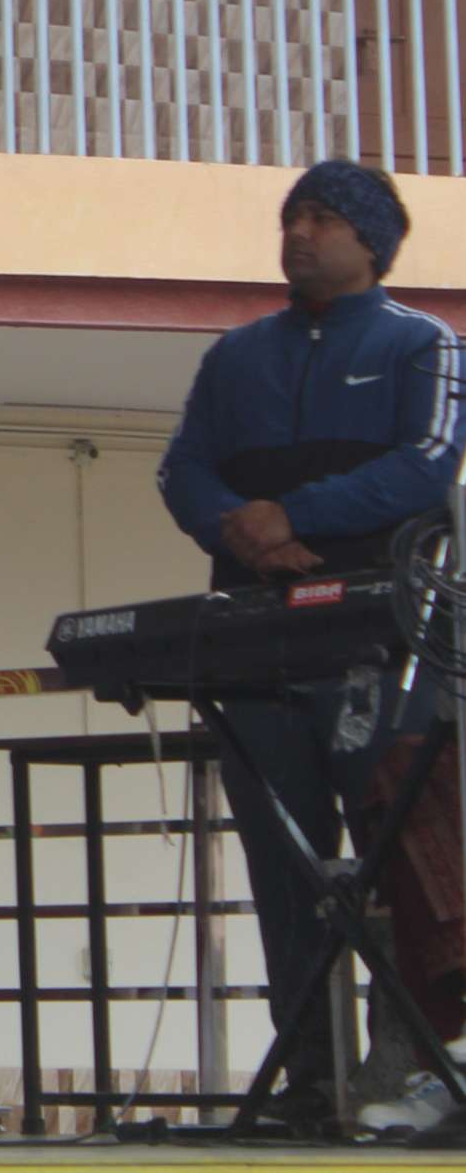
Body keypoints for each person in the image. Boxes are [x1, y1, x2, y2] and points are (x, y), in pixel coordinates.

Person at [156, 159, 465, 1132]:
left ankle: (412, 1079)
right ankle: (310, 1081)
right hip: (258, 644)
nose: (297, 232)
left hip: (385, 646)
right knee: (282, 867)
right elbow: (181, 469)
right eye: (291, 216)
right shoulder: (234, 356)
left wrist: (291, 514)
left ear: (371, 240)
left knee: (403, 863)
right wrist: (243, 531)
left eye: (322, 218)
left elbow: (427, 466)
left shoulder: (425, 343)